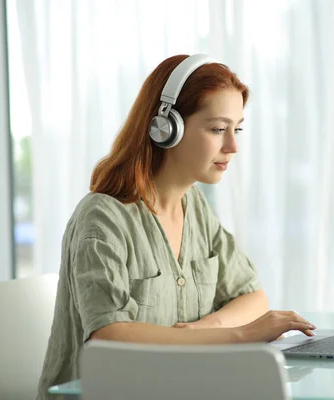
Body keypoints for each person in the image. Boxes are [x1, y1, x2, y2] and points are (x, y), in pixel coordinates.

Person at [37, 54, 316, 397]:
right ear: (165, 128)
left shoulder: (194, 206)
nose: (233, 146)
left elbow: (252, 296)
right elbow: (109, 336)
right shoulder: (103, 217)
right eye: (217, 129)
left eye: (237, 128)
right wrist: (239, 335)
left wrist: (207, 327)